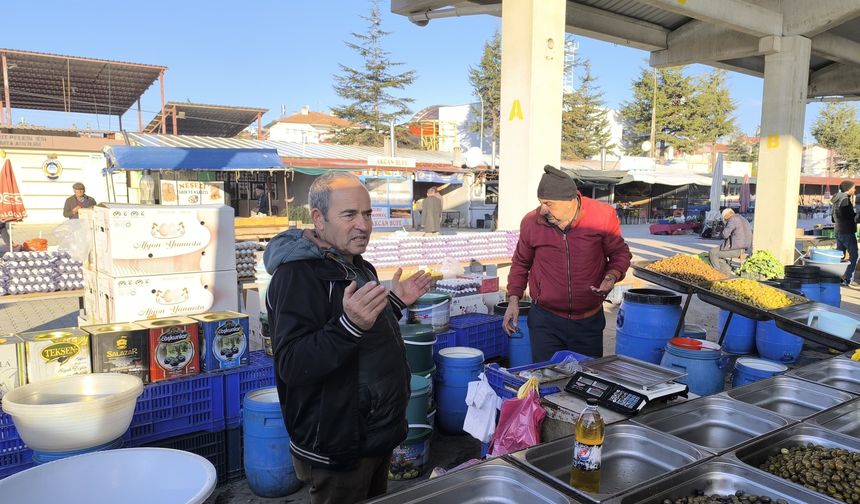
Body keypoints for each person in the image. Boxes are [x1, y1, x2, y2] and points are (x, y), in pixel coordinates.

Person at [263, 172, 432, 504]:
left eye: (367, 214)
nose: (364, 226)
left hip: (374, 434)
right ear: (318, 218)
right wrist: (348, 325)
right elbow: (293, 364)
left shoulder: (356, 264)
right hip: (339, 443)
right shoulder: (297, 277)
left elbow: (362, 332)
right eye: (350, 215)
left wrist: (394, 303)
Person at [504, 165, 632, 360]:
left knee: (585, 382)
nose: (542, 210)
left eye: (549, 203)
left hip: (588, 321)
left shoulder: (601, 216)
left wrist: (611, 276)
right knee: (546, 378)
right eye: (541, 203)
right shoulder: (531, 222)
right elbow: (521, 263)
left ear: (571, 200)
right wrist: (513, 300)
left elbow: (619, 253)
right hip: (545, 321)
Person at [708, 208, 753, 275]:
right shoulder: (743, 219)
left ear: (726, 216)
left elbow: (725, 235)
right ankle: (726, 268)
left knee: (712, 252)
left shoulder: (732, 220)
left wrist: (722, 230)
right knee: (718, 252)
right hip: (743, 248)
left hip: (735, 249)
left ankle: (717, 272)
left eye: (725, 219)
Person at [831, 180, 858, 286]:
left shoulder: (836, 199)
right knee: (854, 255)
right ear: (848, 188)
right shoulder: (845, 200)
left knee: (839, 256)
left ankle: (836, 277)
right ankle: (847, 278)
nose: (855, 190)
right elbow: (850, 216)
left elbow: (833, 218)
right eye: (854, 188)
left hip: (838, 231)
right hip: (847, 231)